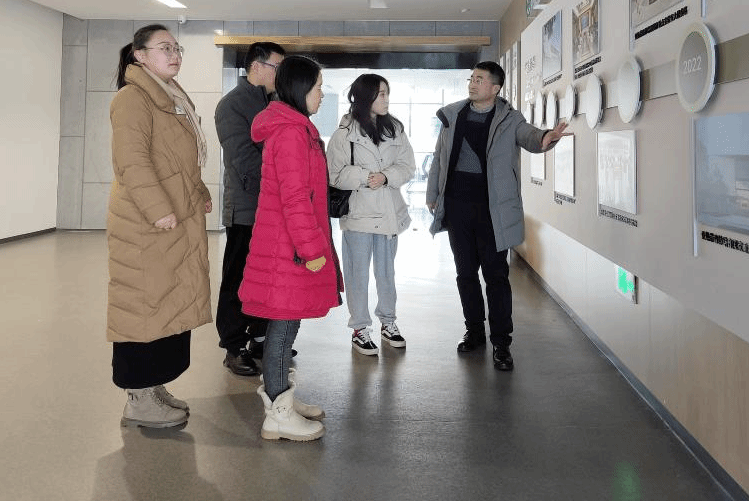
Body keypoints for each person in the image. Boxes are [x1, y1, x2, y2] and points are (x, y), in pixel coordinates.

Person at [426, 61, 567, 372]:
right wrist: (433, 193)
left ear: (495, 87)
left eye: (479, 80)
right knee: (465, 273)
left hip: (494, 210)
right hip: (458, 207)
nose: (472, 84)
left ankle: (502, 342)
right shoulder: (453, 115)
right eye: (471, 78)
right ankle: (474, 331)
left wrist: (546, 137)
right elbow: (439, 157)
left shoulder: (509, 118)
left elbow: (529, 136)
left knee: (496, 275)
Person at [106, 24, 213, 428]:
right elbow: (131, 160)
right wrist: (157, 208)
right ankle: (138, 397)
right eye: (164, 48)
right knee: (142, 305)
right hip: (145, 224)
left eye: (177, 48)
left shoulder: (170, 96)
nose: (175, 55)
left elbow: (181, 160)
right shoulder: (132, 98)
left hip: (173, 219)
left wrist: (199, 190)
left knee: (167, 302)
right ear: (140, 55)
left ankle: (153, 385)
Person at [239, 55, 343, 441]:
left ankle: (280, 395)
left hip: (288, 245)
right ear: (300, 89)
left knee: (288, 322)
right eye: (318, 87)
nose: (321, 94)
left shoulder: (296, 128)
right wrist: (313, 249)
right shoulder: (290, 134)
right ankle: (278, 414)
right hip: (289, 248)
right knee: (282, 328)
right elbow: (296, 198)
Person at [328, 74, 416, 356]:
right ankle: (359, 328)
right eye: (381, 94)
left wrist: (386, 176)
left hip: (389, 213)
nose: (386, 99)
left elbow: (408, 166)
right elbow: (334, 175)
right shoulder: (344, 135)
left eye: (387, 93)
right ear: (365, 97)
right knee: (357, 274)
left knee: (386, 272)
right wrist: (366, 177)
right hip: (359, 215)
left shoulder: (395, 129)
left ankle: (388, 322)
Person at [214, 41, 286, 377]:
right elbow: (243, 159)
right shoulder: (232, 105)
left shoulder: (276, 101)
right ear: (256, 66)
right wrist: (282, 177)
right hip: (246, 208)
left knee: (266, 278)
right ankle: (232, 345)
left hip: (273, 208)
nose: (280, 74)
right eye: (276, 67)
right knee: (238, 279)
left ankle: (258, 337)